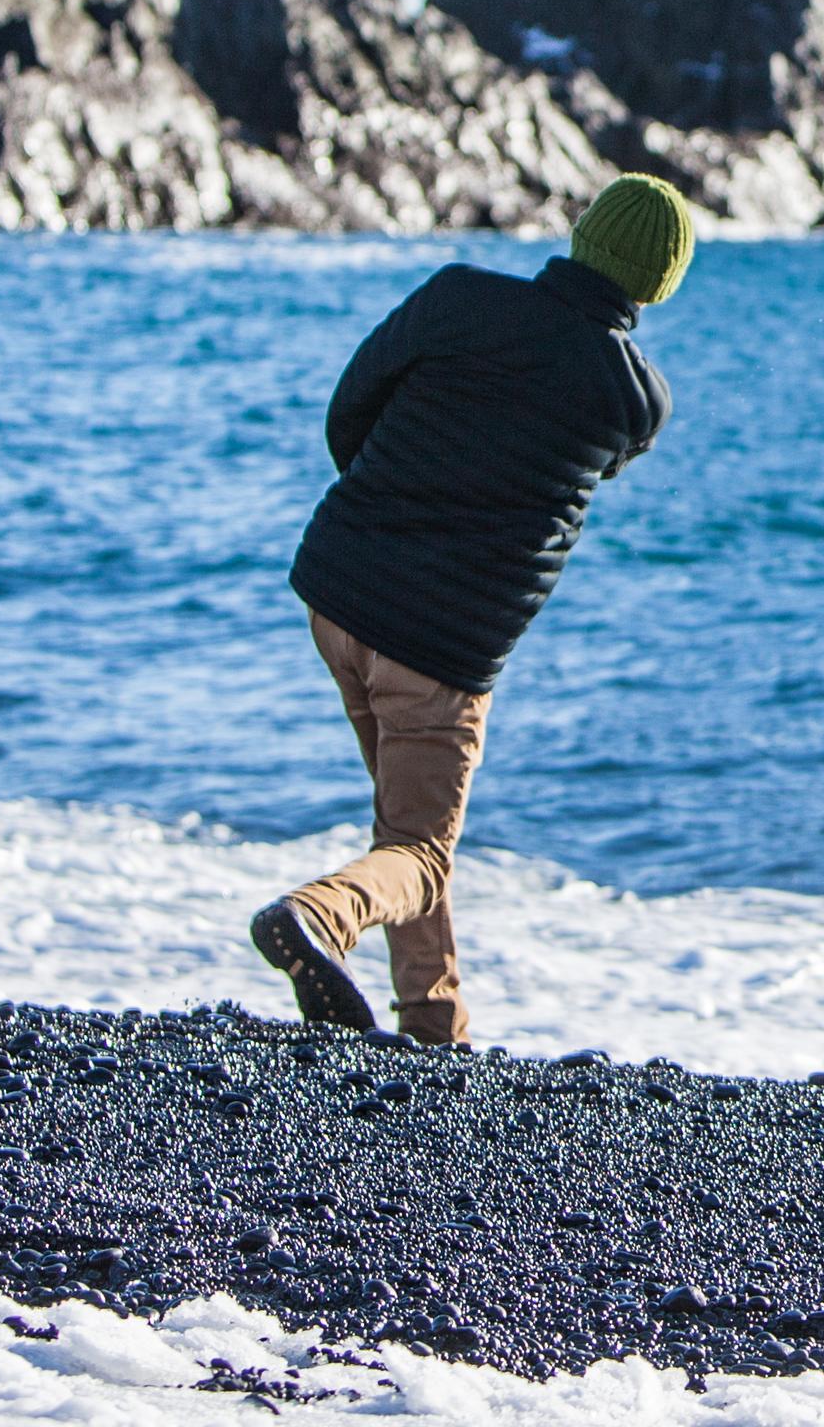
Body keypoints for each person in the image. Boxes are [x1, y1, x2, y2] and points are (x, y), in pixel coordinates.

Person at [251, 174, 690, 1044]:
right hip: (441, 649)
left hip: (338, 591)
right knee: (419, 848)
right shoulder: (635, 400)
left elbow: (351, 412)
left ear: (579, 230)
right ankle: (318, 917)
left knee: (406, 824)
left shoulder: (456, 297)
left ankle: (432, 1020)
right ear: (660, 285)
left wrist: (386, 517)